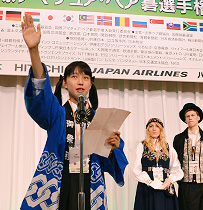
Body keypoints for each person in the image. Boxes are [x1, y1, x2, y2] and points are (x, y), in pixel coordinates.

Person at [20, 14, 128, 209]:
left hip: (90, 180)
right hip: (61, 179)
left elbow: (113, 159)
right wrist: (34, 50)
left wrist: (113, 148)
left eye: (86, 77)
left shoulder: (100, 119)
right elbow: (40, 97)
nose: (80, 81)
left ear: (91, 84)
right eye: (74, 76)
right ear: (64, 82)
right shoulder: (57, 113)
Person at [173, 103, 203, 210]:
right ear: (185, 120)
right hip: (187, 183)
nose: (190, 118)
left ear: (198, 117)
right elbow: (175, 160)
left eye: (192, 115)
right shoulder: (179, 139)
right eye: (187, 116)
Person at [132, 118, 184, 210]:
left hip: (165, 186)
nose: (154, 129)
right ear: (148, 130)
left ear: (161, 129)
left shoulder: (168, 148)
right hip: (147, 187)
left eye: (157, 126)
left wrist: (169, 181)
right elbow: (136, 169)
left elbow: (177, 169)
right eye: (151, 126)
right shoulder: (142, 146)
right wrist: (149, 182)